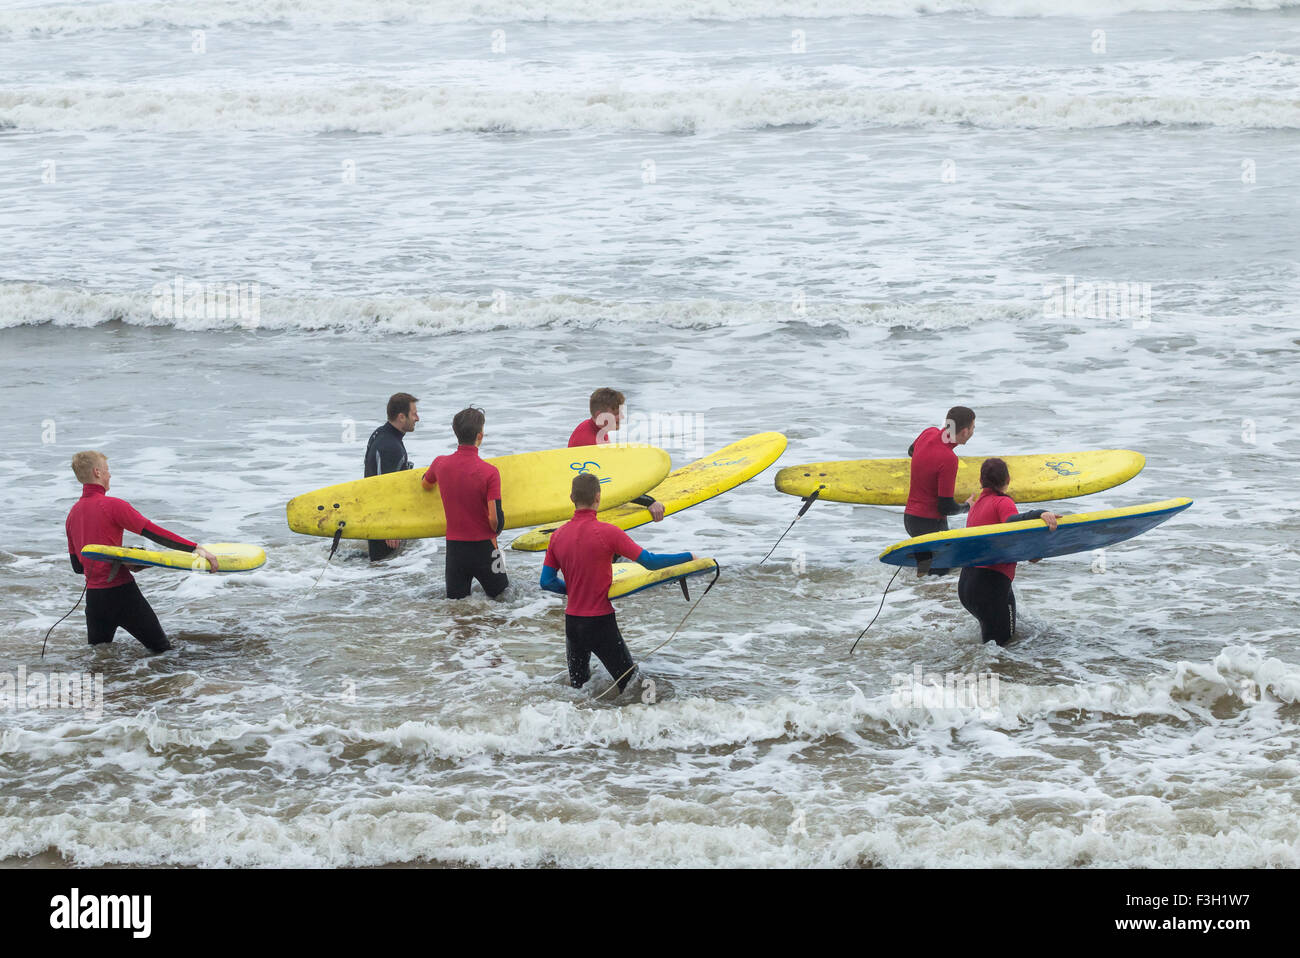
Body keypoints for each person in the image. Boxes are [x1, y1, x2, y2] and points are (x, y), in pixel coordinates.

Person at [539, 473, 694, 694]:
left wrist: (573, 591)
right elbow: (649, 562)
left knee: (578, 691)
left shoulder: (557, 536)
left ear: (572, 497)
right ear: (598, 497)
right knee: (631, 687)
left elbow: (546, 581)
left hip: (573, 624)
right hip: (600, 622)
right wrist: (688, 557)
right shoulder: (609, 533)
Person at [64, 451, 219, 653]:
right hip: (122, 594)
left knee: (100, 658)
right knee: (163, 652)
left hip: (94, 600)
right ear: (97, 472)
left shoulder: (72, 514)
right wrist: (195, 548)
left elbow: (77, 567)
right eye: (107, 470)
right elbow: (154, 533)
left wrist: (121, 559)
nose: (110, 475)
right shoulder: (112, 506)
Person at [957, 457, 1060, 646]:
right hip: (989, 585)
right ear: (1008, 480)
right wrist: (1039, 513)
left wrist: (1031, 554)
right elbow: (1012, 523)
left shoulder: (977, 506)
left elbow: (1002, 541)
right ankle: (993, 675)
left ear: (981, 482)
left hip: (967, 584)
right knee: (1002, 648)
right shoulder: (1002, 502)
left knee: (1000, 639)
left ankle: (982, 670)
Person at [421, 407, 507, 599]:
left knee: (457, 607)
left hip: (455, 551)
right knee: (504, 597)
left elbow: (426, 484)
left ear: (456, 433)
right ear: (480, 435)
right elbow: (495, 519)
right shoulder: (490, 472)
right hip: (486, 549)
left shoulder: (440, 464)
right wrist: (497, 531)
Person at [568, 387, 665, 522]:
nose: (622, 417)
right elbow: (611, 485)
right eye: (616, 413)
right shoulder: (588, 442)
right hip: (587, 507)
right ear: (599, 414)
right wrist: (650, 502)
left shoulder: (595, 429)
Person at [905, 405, 978, 576]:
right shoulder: (949, 459)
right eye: (974, 428)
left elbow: (911, 451)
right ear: (965, 431)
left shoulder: (928, 433)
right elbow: (945, 507)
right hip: (930, 525)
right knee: (941, 577)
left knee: (924, 574)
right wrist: (968, 506)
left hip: (910, 520)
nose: (974, 431)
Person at [364, 392, 419, 562]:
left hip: (375, 519)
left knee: (380, 571)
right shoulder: (391, 447)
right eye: (414, 413)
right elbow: (382, 489)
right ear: (401, 417)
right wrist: (390, 528)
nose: (417, 418)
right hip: (383, 525)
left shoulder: (380, 433)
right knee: (384, 572)